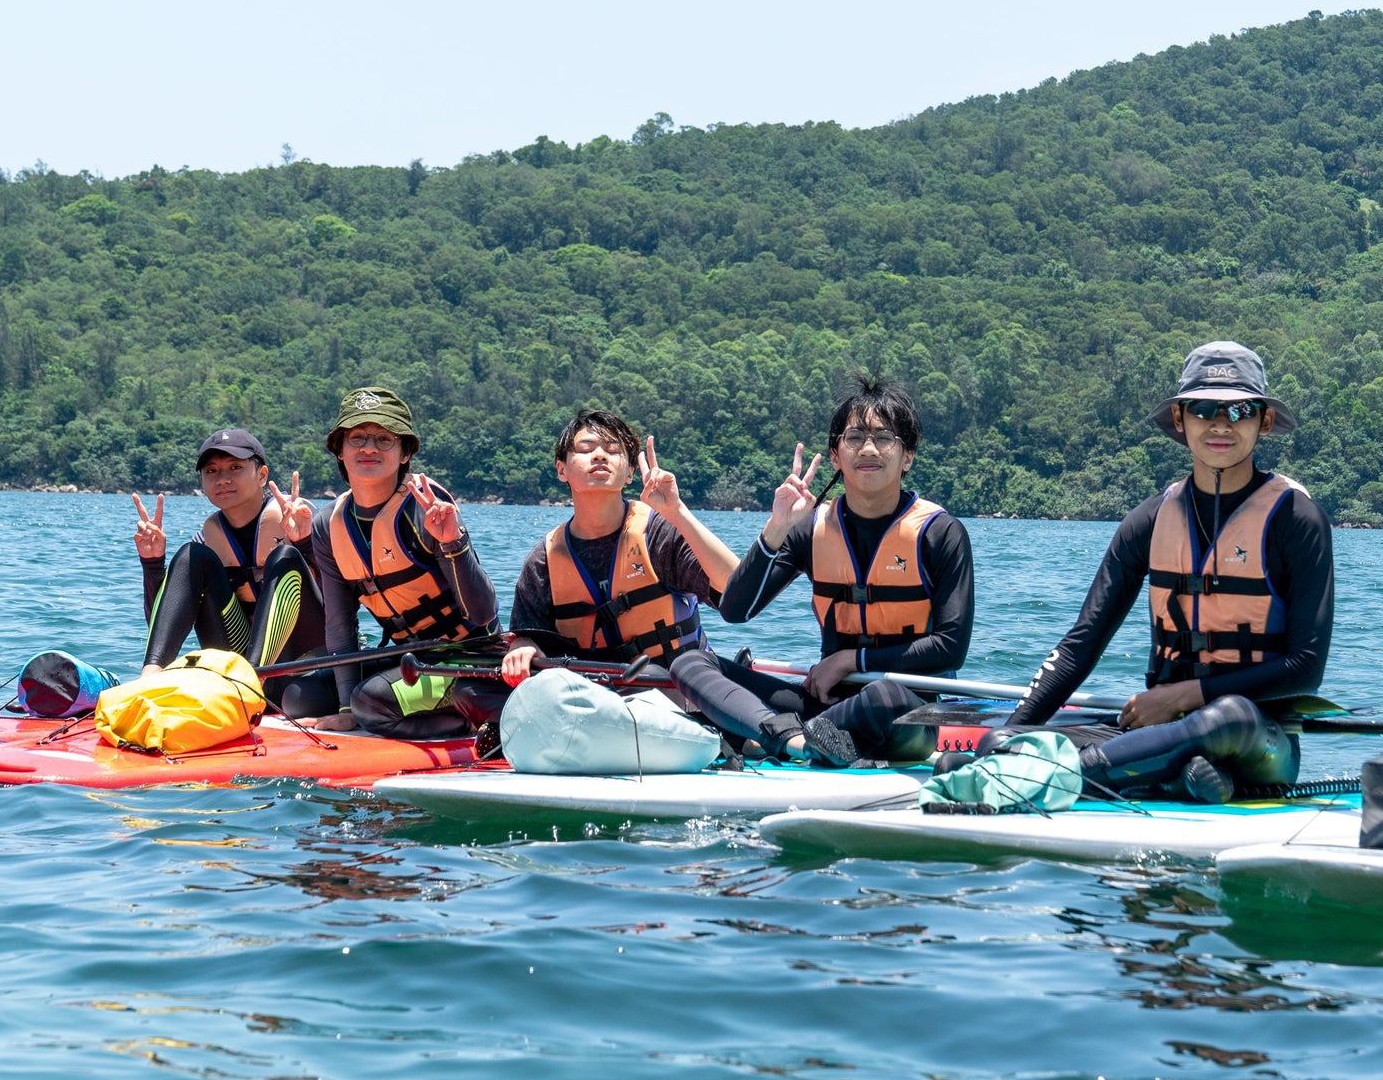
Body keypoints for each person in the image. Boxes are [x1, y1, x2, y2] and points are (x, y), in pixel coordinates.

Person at [1003, 341, 1334, 803]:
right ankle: (1179, 778)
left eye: (1239, 410)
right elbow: (1082, 644)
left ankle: (1044, 780)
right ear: (1180, 419)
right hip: (1165, 728)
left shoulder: (1296, 520)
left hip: (1259, 740)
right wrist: (1010, 734)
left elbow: (1305, 669)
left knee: (1228, 717)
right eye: (1202, 409)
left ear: (1266, 419)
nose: (1220, 424)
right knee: (1007, 743)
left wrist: (1183, 696)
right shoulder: (1150, 520)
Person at [505, 409, 859, 765]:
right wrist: (523, 647)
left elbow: (734, 589)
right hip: (598, 706)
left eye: (613, 450)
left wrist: (677, 512)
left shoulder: (657, 534)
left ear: (630, 472)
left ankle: (760, 739)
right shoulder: (545, 560)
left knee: (692, 666)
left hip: (684, 700)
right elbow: (527, 636)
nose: (600, 455)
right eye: (586, 448)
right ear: (561, 469)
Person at [707, 374, 976, 762]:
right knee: (695, 660)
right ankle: (805, 739)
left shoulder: (940, 533)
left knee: (883, 696)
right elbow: (735, 611)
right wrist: (777, 527)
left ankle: (770, 735)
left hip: (906, 711)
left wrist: (852, 660)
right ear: (836, 455)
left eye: (884, 438)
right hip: (824, 704)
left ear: (908, 457)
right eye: (854, 438)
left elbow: (950, 648)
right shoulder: (811, 530)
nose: (868, 448)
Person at [299, 387, 504, 740]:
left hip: (470, 658)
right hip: (410, 657)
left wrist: (452, 543)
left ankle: (478, 721)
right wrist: (346, 708)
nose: (369, 448)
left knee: (371, 704)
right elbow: (339, 623)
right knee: (299, 698)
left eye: (384, 439)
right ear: (340, 450)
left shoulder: (424, 507)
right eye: (357, 438)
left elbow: (483, 612)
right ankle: (404, 709)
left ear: (405, 451)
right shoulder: (327, 525)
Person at [131, 429, 334, 717]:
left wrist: (304, 543)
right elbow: (160, 620)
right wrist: (152, 564)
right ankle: (149, 680)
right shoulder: (206, 540)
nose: (222, 479)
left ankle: (249, 682)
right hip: (239, 667)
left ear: (262, 475)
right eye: (212, 471)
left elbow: (341, 604)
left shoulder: (300, 517)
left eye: (235, 468)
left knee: (285, 557)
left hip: (304, 665)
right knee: (190, 555)